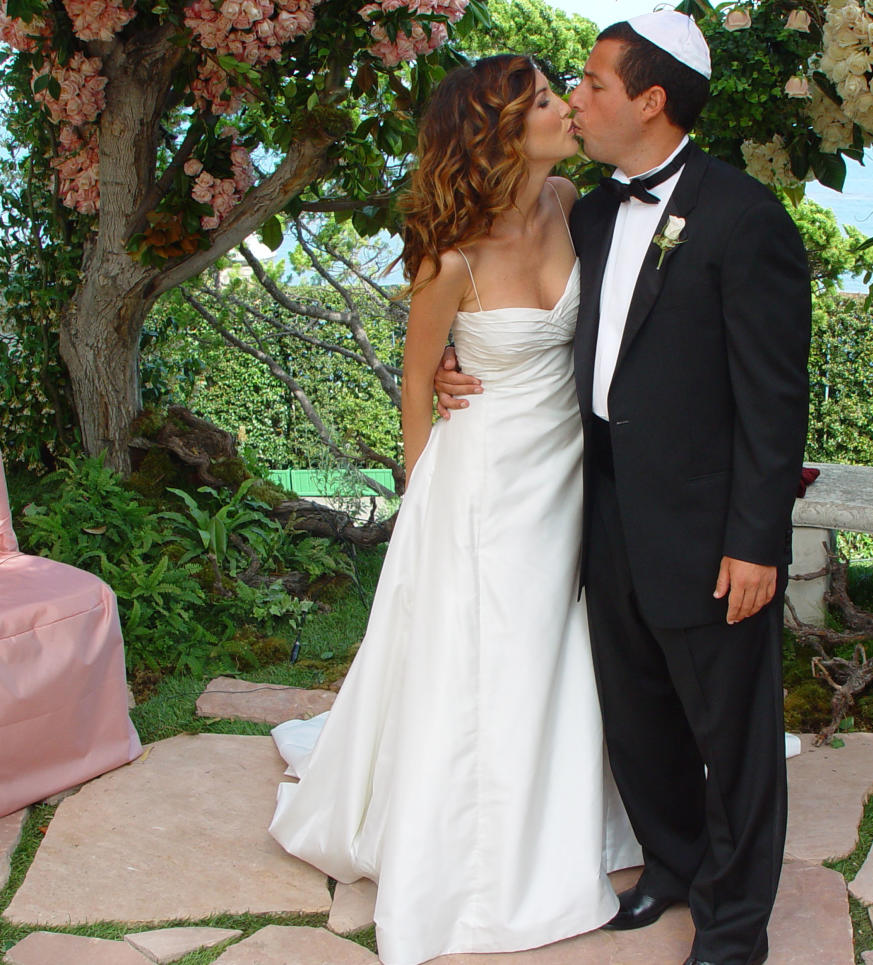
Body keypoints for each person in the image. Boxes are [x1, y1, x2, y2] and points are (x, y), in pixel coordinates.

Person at [436, 14, 812, 965]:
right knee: (638, 719)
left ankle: (735, 927)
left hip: (709, 529)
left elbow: (775, 402)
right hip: (599, 511)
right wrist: (450, 359)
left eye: (595, 85)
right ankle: (674, 867)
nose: (579, 98)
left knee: (733, 736)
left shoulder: (745, 218)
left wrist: (757, 541)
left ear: (650, 100)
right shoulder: (590, 212)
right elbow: (515, 306)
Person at [267, 54, 640, 965]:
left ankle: (563, 799)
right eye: (548, 102)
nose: (567, 110)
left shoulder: (576, 210)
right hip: (485, 482)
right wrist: (425, 499)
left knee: (558, 641)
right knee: (495, 652)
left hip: (569, 469)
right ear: (502, 133)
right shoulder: (453, 254)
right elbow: (415, 380)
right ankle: (482, 851)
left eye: (561, 96)